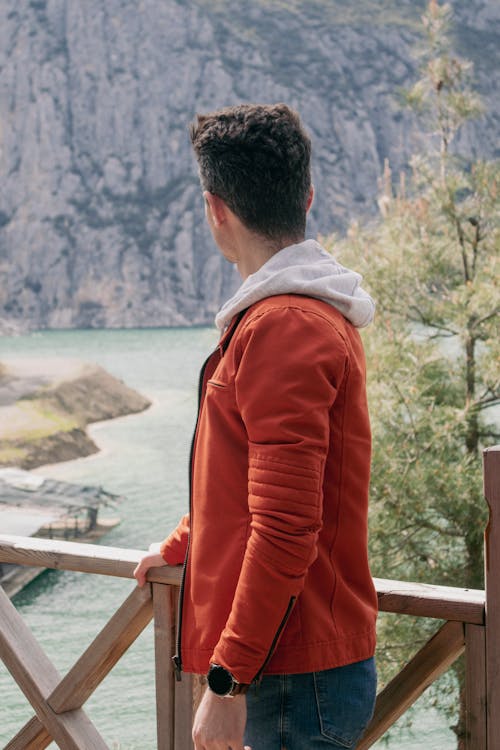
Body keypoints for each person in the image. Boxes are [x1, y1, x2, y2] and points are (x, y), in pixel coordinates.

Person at [134, 103, 378, 750]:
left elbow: (285, 527)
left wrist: (227, 681)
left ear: (216, 210)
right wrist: (184, 542)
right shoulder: (301, 317)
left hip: (291, 683)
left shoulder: (284, 328)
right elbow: (258, 476)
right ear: (308, 195)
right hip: (296, 673)